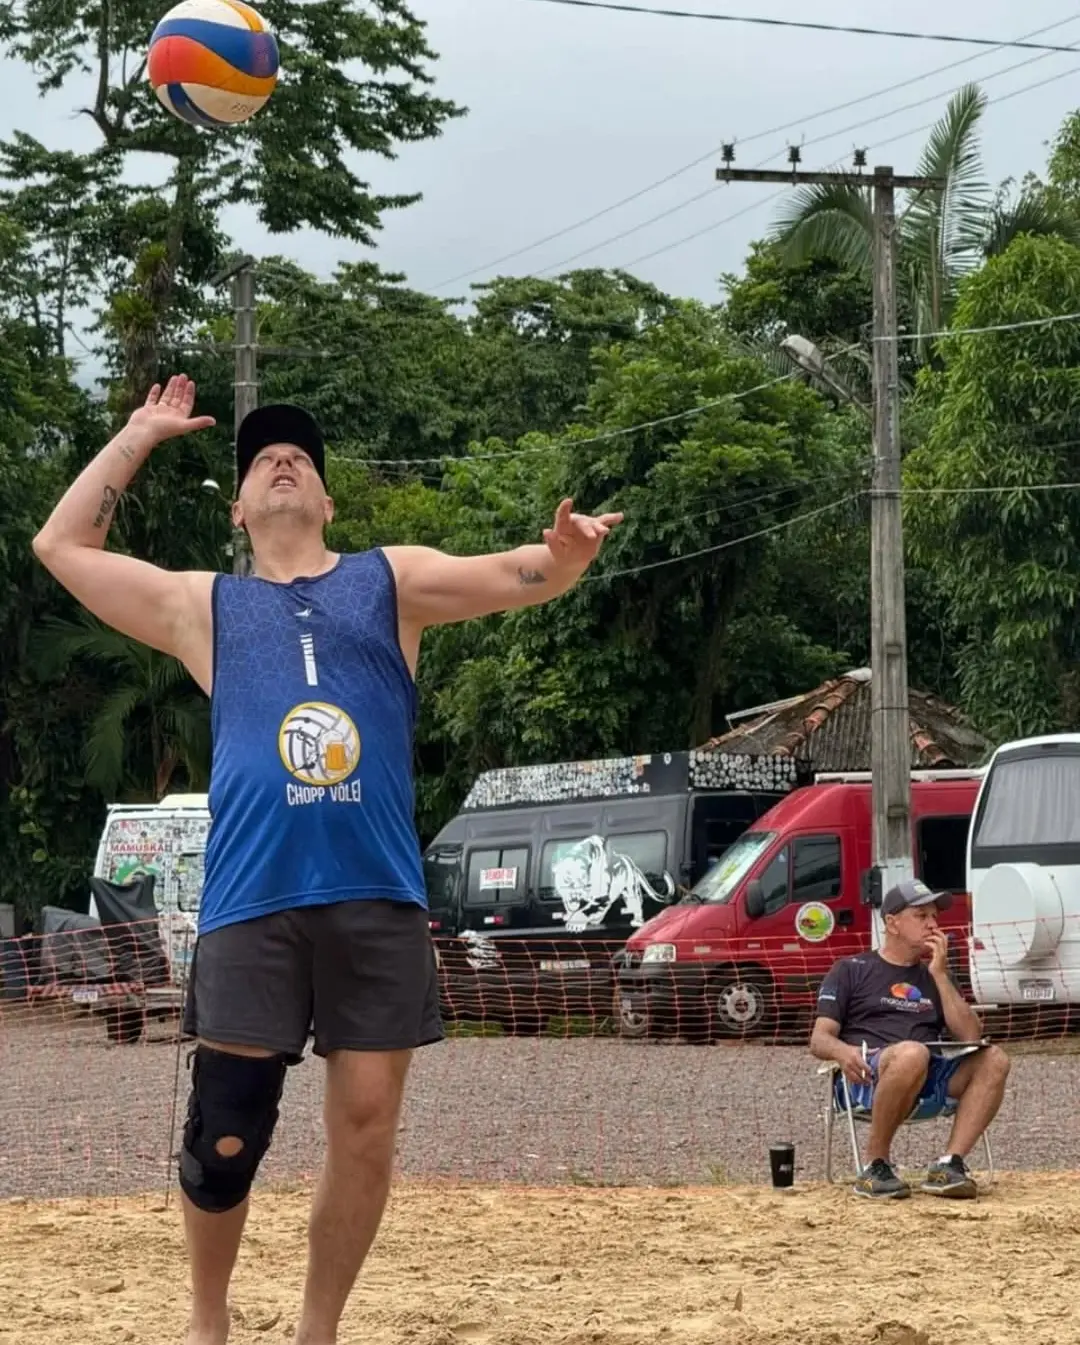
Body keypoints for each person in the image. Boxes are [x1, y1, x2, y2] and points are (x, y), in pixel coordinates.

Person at [31, 375, 624, 1345]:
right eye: (264, 455)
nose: (282, 458)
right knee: (225, 1130)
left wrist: (562, 559)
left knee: (364, 1130)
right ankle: (209, 1322)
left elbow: (521, 572)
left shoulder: (389, 581)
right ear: (239, 507)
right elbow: (62, 547)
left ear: (326, 499)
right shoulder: (202, 607)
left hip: (376, 898)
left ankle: (317, 1333)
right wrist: (139, 433)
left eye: (300, 454)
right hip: (251, 901)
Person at [810, 877, 1010, 1202]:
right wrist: (844, 1053)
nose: (932, 925)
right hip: (867, 1073)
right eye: (921, 916)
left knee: (995, 1059)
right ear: (892, 923)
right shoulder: (851, 969)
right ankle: (875, 1165)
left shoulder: (935, 974)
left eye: (935, 917)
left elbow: (971, 1037)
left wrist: (940, 976)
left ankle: (949, 1164)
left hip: (929, 1072)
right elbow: (820, 1039)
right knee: (911, 1054)